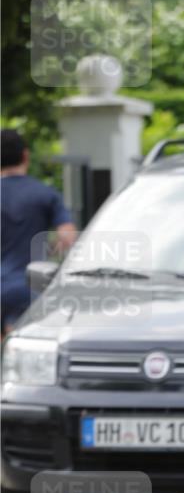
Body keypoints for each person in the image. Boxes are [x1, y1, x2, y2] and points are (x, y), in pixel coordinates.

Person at [1, 129, 77, 337]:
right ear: (25, 155)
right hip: (26, 286)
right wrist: (52, 249)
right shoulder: (45, 194)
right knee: (16, 347)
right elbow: (67, 236)